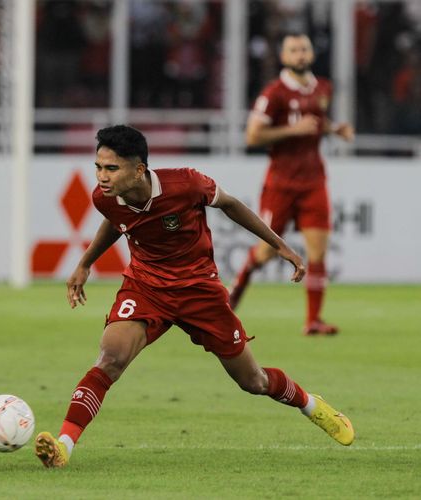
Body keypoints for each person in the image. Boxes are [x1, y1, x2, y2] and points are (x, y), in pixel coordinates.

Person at [33, 125, 354, 469]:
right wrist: (85, 263)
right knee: (110, 358)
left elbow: (231, 205)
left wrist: (279, 245)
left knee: (253, 381)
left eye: (111, 168)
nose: (102, 177)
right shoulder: (103, 197)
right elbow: (117, 220)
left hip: (200, 291)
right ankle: (64, 446)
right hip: (146, 288)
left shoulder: (186, 183)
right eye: (98, 167)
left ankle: (309, 404)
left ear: (139, 169)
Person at [228, 33, 355, 335]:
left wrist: (335, 129)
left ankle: (313, 320)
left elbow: (315, 122)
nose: (300, 54)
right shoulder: (274, 93)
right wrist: (292, 130)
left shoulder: (323, 88)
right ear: (284, 57)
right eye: (294, 50)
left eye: (304, 49)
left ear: (311, 53)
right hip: (281, 182)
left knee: (318, 250)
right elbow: (253, 136)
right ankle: (230, 300)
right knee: (266, 251)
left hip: (314, 180)